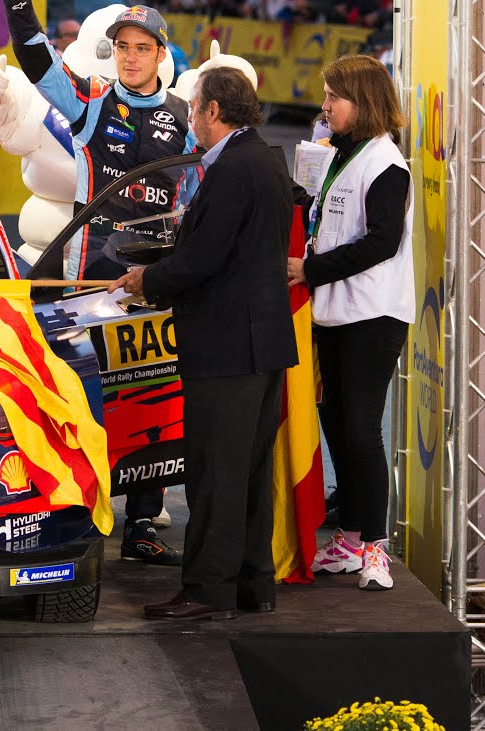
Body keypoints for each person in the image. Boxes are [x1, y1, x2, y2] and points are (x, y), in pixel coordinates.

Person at [0, 0, 191, 565]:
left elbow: (201, 196)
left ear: (161, 55)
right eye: (122, 46)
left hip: (154, 278)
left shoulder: (185, 118)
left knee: (151, 396)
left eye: (142, 48)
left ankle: (144, 522)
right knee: (80, 393)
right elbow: (35, 55)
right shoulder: (90, 101)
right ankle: (75, 509)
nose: (131, 56)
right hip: (88, 272)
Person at [112, 66, 297, 620]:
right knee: (249, 473)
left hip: (227, 345)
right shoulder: (265, 157)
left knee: (215, 473)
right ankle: (252, 584)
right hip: (261, 342)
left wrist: (148, 279)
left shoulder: (232, 168)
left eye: (194, 107)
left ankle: (206, 590)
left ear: (213, 110)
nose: (190, 116)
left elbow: (204, 258)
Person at [290, 55, 414, 593]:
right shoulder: (342, 153)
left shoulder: (386, 163)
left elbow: (382, 242)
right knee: (337, 422)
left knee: (361, 428)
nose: (325, 106)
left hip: (373, 315)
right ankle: (352, 536)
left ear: (362, 102)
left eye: (333, 97)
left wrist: (311, 269)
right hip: (335, 312)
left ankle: (376, 547)